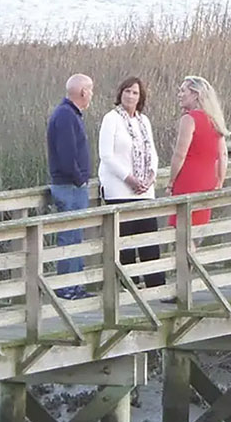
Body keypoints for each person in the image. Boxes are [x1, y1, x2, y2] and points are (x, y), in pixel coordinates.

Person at [98, 76, 163, 287]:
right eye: (127, 91)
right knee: (124, 243)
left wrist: (150, 177)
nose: (130, 96)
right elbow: (106, 156)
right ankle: (128, 287)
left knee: (149, 240)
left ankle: (155, 285)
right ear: (120, 93)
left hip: (144, 191)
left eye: (135, 92)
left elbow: (152, 152)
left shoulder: (144, 121)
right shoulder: (111, 119)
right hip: (120, 189)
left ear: (140, 97)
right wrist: (130, 179)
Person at [46, 73, 94, 299]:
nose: (91, 95)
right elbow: (67, 155)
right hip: (69, 186)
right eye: (90, 90)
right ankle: (67, 287)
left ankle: (75, 286)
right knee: (69, 236)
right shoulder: (66, 115)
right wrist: (79, 178)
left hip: (72, 185)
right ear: (83, 92)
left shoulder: (69, 114)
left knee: (75, 236)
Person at [168, 75, 229, 228]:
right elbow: (222, 155)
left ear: (195, 94)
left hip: (189, 179)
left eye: (183, 91)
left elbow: (180, 154)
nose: (179, 95)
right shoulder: (214, 119)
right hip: (208, 180)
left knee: (181, 227)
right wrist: (220, 181)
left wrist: (171, 182)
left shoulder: (189, 119)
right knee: (199, 227)